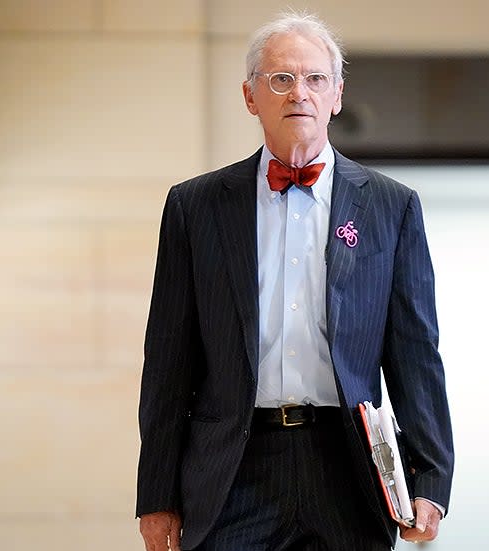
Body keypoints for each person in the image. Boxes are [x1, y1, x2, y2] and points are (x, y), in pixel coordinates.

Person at [136, 12, 453, 551]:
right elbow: (169, 359)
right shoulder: (196, 206)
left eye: (315, 78)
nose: (298, 93)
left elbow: (416, 353)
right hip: (233, 469)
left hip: (348, 465)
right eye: (280, 79)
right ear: (250, 96)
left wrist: (430, 478)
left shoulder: (390, 206)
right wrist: (157, 494)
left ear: (337, 96)